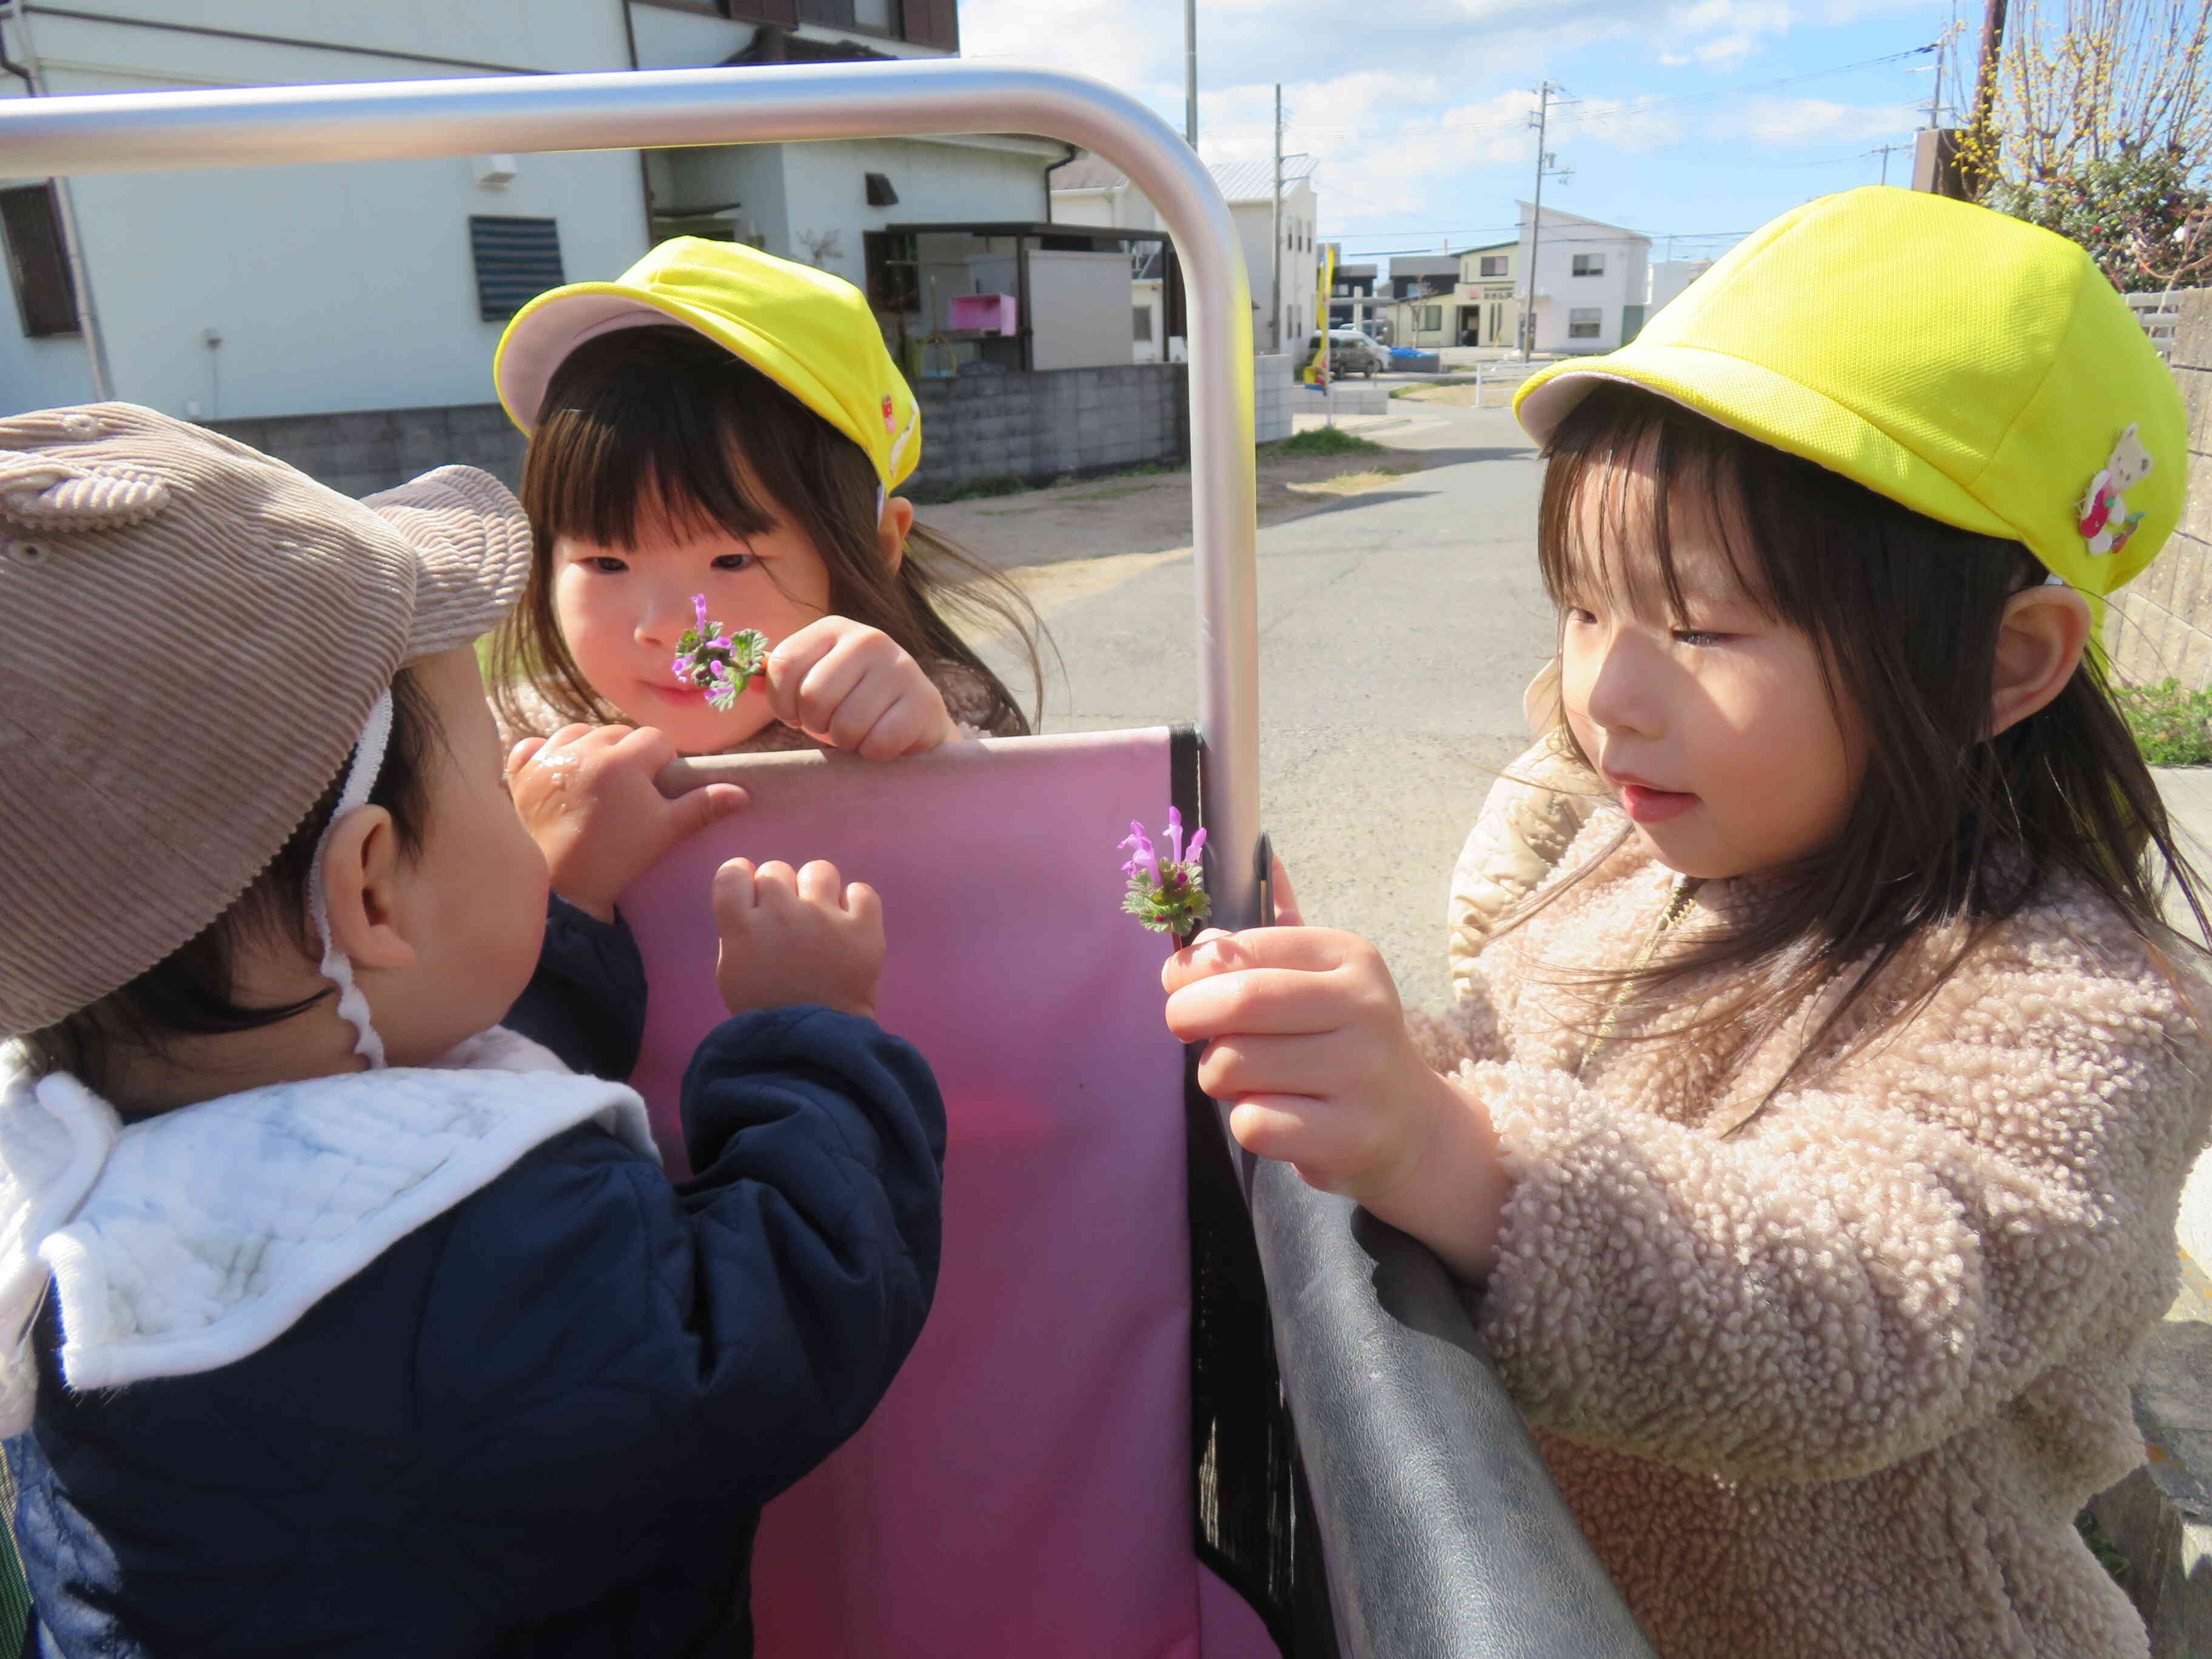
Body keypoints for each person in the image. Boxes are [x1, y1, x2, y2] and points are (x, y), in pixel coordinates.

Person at [1161, 185, 2212, 1658]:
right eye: (1586, 609)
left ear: (2003, 662)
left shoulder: (2071, 999)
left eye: (1705, 627)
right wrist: (1387, 1055)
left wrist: (1442, 1143)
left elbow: (1859, 1303)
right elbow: (1513, 1042)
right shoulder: (1639, 851)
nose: (1608, 694)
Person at [0, 405, 947, 1657]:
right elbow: (770, 1327)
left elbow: (396, 1069)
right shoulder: (500, 1252)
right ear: (376, 886)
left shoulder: (70, 1182)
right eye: (497, 781)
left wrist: (565, 917)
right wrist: (808, 1040)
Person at [486, 238, 1045, 765]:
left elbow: (1033, 856)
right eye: (606, 563)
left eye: (732, 560)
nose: (669, 629)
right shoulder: (511, 748)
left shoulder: (925, 715)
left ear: (875, 548)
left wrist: (934, 758)